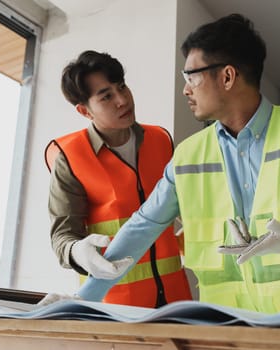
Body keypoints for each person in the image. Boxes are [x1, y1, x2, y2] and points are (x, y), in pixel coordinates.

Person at [53, 14, 280, 314]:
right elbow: (142, 227)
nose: (185, 90)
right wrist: (80, 300)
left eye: (192, 77)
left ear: (227, 77)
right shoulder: (188, 155)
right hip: (228, 327)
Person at [43, 50, 192, 308]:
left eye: (122, 87)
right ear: (84, 111)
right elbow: (63, 236)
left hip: (176, 299)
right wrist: (77, 251)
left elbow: (185, 207)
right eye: (107, 96)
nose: (123, 100)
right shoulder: (70, 157)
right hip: (116, 307)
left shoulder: (160, 140)